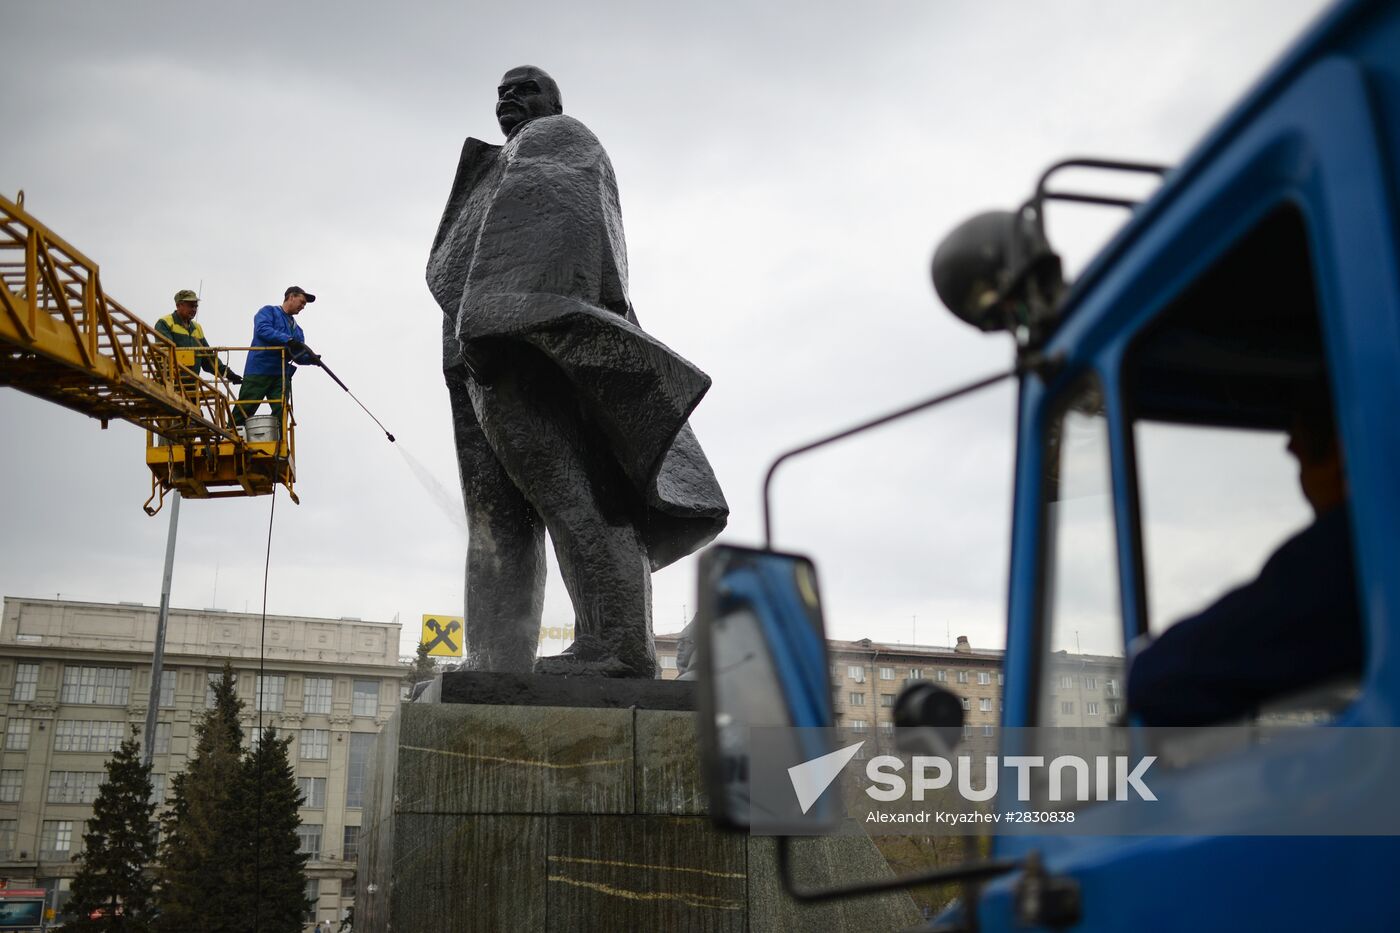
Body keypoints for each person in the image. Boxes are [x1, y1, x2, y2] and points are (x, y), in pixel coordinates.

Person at [426, 66, 728, 677]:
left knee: (576, 494)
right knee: (495, 519)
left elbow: (568, 231)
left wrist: (509, 316)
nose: (510, 98)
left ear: (554, 102)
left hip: (523, 345)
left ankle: (618, 645)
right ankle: (495, 655)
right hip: (474, 359)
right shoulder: (498, 163)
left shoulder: (561, 138)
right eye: (502, 93)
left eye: (525, 89)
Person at [1127, 393, 1361, 726]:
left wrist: (1141, 666)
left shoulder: (1352, 550)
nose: (1289, 446)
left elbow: (1165, 679)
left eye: (1301, 448)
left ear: (1340, 450)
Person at [234, 285, 321, 427]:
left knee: (281, 411)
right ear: (291, 297)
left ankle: (278, 441)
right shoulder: (269, 312)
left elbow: (297, 355)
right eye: (302, 302)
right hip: (259, 370)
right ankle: (230, 434)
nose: (303, 307)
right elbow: (263, 329)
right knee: (245, 407)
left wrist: (310, 359)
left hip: (280, 375)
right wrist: (287, 339)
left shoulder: (297, 330)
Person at [154, 288, 242, 392]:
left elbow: (208, 359)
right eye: (191, 306)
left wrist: (229, 374)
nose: (194, 309)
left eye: (196, 306)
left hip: (191, 386)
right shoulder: (165, 323)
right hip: (169, 384)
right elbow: (166, 353)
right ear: (178, 305)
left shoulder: (197, 328)